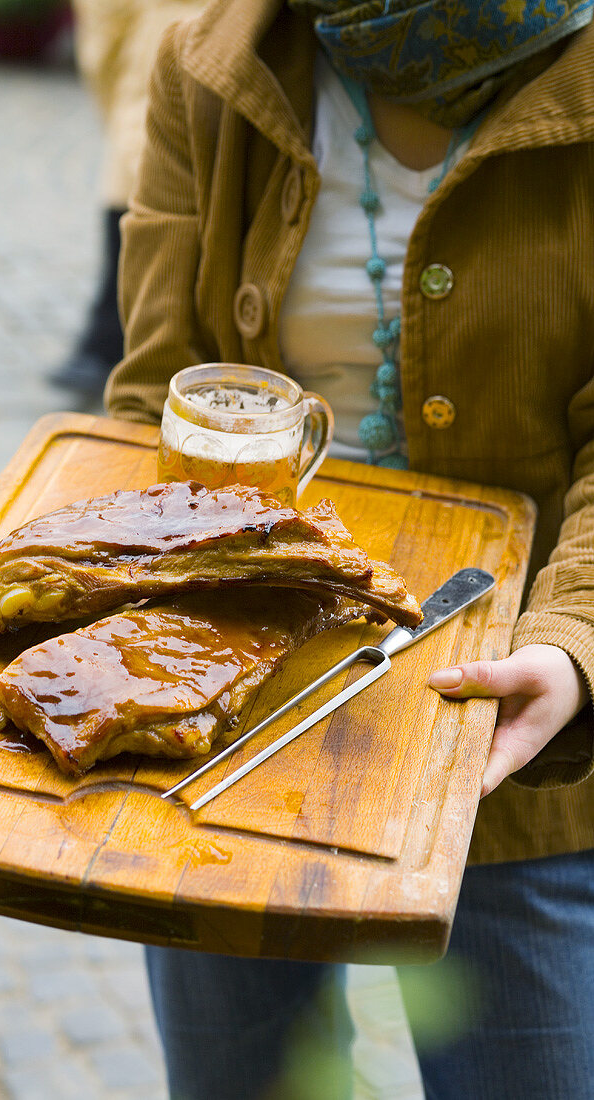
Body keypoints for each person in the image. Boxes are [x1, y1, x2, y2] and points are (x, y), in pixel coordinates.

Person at [105, 1, 594, 1097]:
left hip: (507, 727)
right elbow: (151, 395)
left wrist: (570, 644)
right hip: (241, 706)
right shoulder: (217, 59)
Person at [50, 0, 206, 399]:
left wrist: (119, 111)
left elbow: (104, 26)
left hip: (156, 51)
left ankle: (115, 343)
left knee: (138, 193)